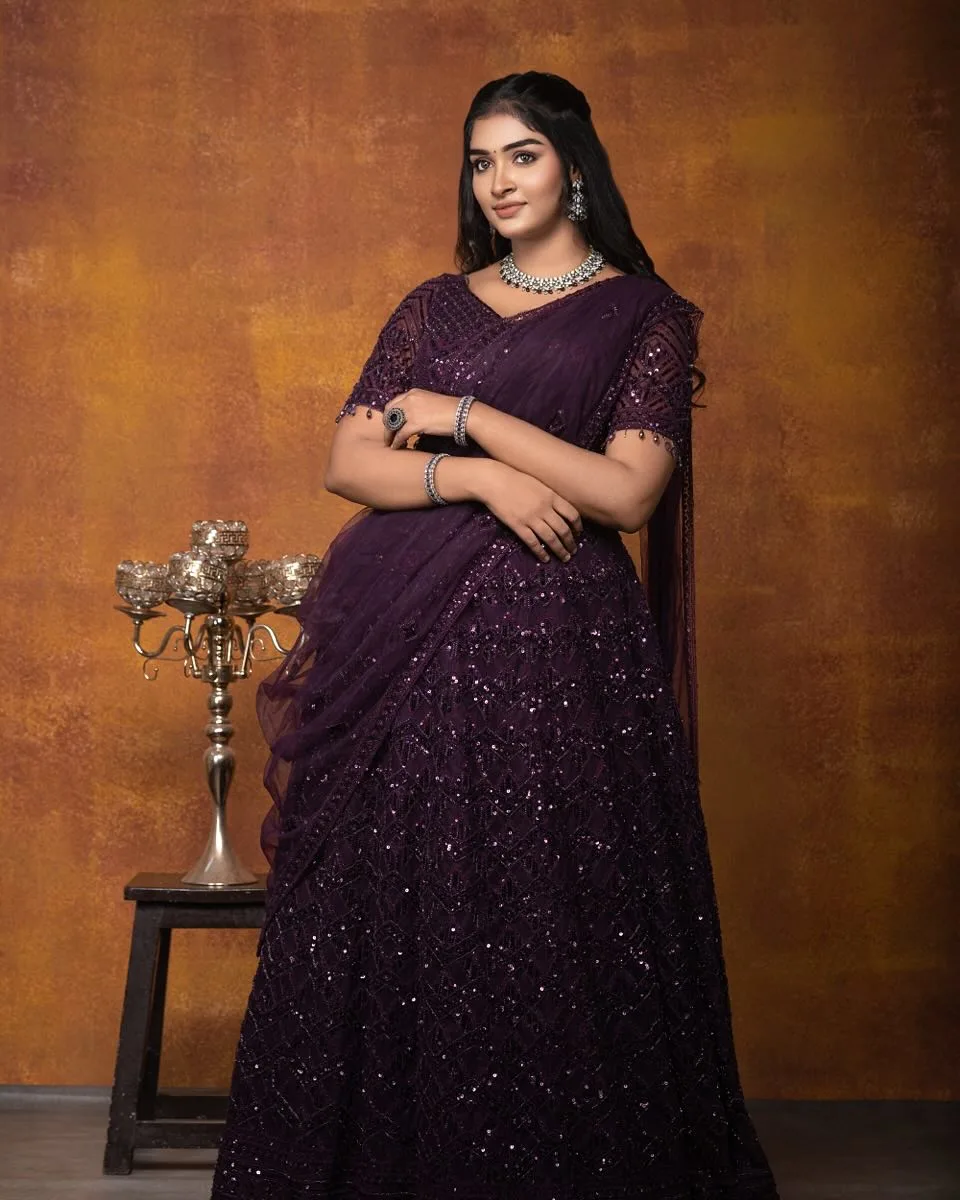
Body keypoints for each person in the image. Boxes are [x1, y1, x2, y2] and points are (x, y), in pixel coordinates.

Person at [211, 71, 779, 1199]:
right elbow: (348, 460)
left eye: (523, 155)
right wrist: (477, 483)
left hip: (560, 651)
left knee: (552, 911)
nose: (499, 182)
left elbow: (627, 493)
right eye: (481, 162)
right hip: (405, 645)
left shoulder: (646, 315)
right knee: (401, 897)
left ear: (575, 163)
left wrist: (471, 424)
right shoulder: (433, 307)